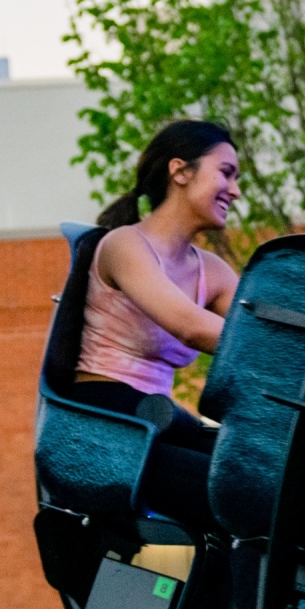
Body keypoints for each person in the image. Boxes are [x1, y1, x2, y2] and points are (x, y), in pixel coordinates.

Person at [71, 118, 243, 534]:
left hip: (156, 415)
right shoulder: (124, 246)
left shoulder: (214, 273)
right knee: (238, 489)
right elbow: (190, 326)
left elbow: (264, 330)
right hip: (106, 418)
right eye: (226, 173)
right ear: (180, 171)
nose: (236, 191)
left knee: (265, 467)